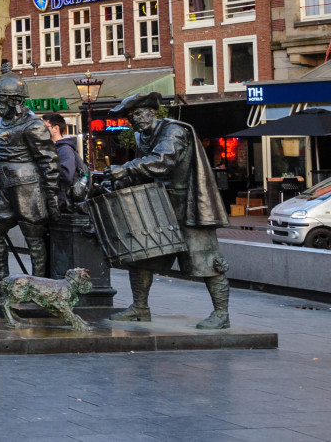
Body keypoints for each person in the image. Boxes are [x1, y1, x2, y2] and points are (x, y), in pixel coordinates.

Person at [104, 91, 232, 329]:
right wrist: (118, 180)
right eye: (131, 117)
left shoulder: (173, 130)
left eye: (139, 114)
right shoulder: (142, 137)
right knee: (143, 255)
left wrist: (126, 169)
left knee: (206, 259)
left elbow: (163, 161)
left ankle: (221, 314)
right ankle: (140, 307)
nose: (136, 120)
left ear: (152, 112)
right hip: (160, 204)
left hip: (188, 204)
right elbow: (146, 171)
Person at [0, 73, 60, 295]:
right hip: (4, 188)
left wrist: (51, 194)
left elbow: (49, 161)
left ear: (14, 101)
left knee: (34, 239)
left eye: (0, 99)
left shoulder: (33, 125)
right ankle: (1, 283)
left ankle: (39, 288)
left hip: (28, 190)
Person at [41, 113, 82, 211]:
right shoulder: (48, 148)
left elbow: (66, 175)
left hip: (61, 202)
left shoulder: (64, 149)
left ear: (56, 128)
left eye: (45, 127)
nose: (41, 130)